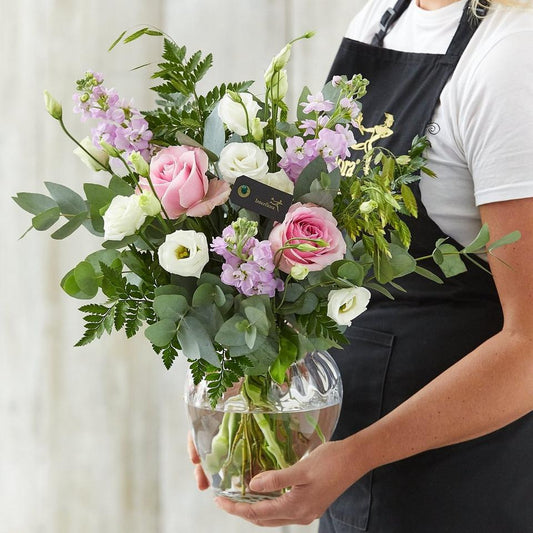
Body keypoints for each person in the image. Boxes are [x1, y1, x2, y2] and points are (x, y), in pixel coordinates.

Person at [190, 0, 533, 530]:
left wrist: (356, 456)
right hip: (345, 468)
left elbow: (528, 345)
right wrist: (232, 192)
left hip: (462, 485)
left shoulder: (510, 57)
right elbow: (335, 229)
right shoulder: (380, 19)